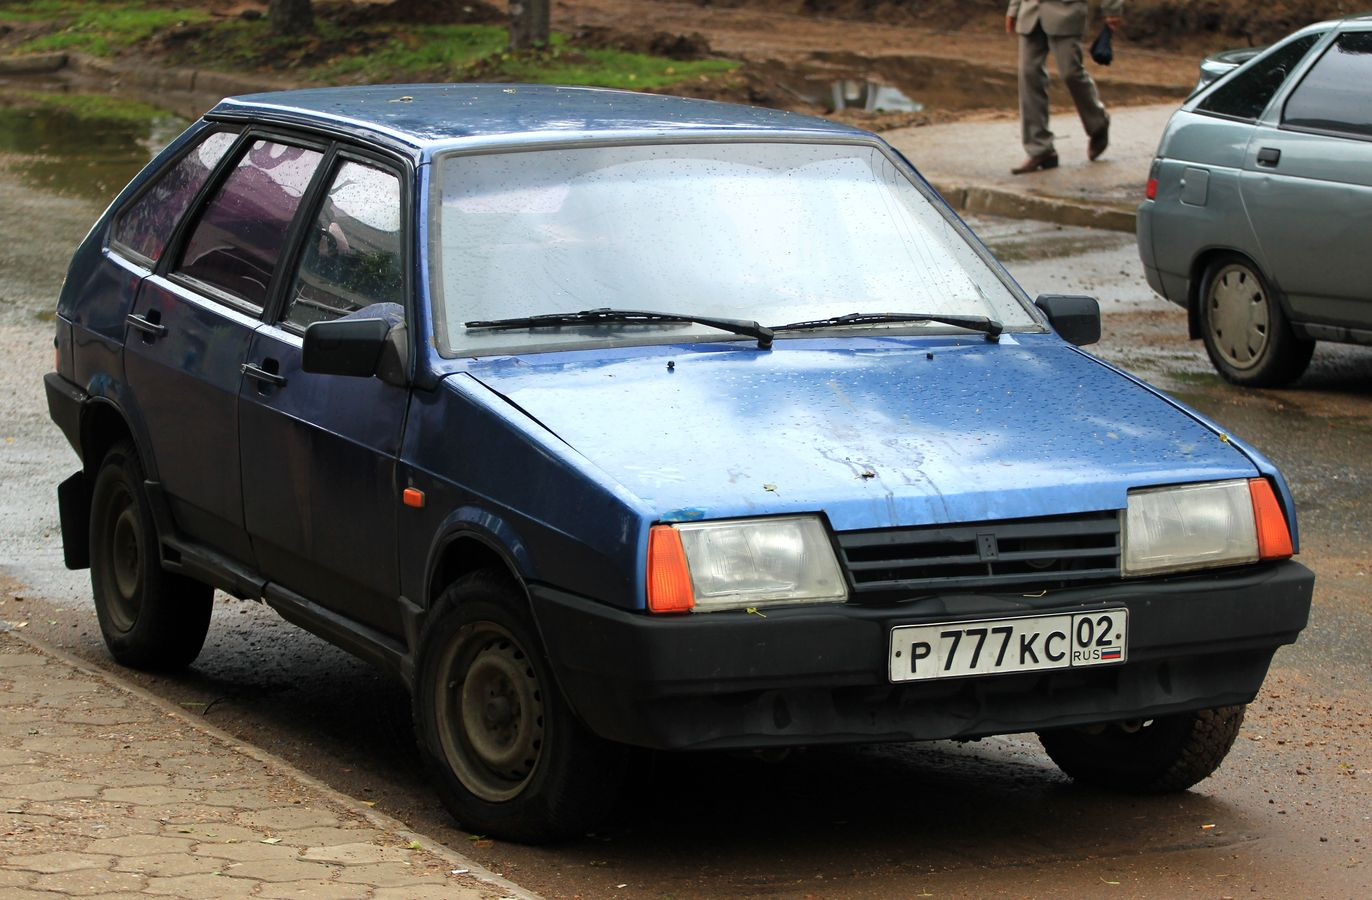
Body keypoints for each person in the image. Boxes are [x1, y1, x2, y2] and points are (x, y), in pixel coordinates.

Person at [1006, 0, 1123, 174]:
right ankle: (1040, 149)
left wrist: (1111, 8)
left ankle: (1098, 124)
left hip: (1067, 10)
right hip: (1030, 10)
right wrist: (1014, 8)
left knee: (1070, 73)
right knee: (1028, 75)